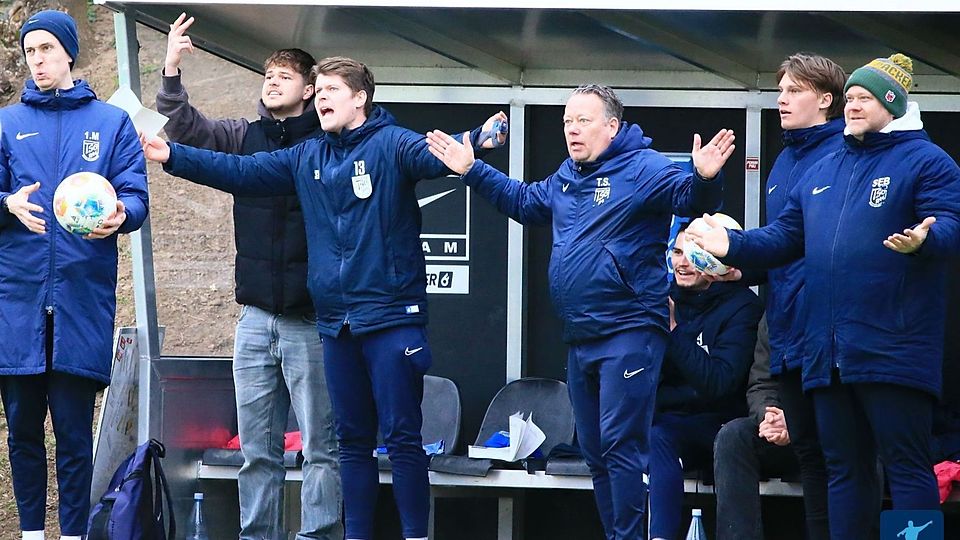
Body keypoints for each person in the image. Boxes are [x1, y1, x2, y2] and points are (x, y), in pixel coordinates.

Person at [141, 56, 506, 540]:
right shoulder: (307, 154)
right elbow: (241, 172)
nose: (324, 96)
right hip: (335, 324)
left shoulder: (391, 144)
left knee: (401, 440)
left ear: (360, 98)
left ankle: (416, 535)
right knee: (351, 442)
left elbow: (433, 154)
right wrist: (173, 156)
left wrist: (478, 137)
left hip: (391, 319)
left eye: (333, 88)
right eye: (321, 89)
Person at [424, 84, 734, 540]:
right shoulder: (568, 174)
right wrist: (472, 169)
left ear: (612, 126)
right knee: (594, 451)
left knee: (621, 445)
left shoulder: (644, 168)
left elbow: (693, 199)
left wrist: (706, 178)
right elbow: (525, 202)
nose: (572, 129)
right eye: (567, 121)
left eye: (583, 121)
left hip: (630, 330)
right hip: (581, 335)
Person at [686, 53, 960, 539]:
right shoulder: (821, 167)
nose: (853, 106)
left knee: (906, 467)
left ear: (892, 105)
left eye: (864, 98)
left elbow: (951, 224)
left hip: (893, 347)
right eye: (850, 97)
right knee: (843, 469)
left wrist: (927, 240)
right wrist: (731, 245)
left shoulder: (927, 160)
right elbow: (785, 237)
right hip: (828, 354)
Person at [155, 13, 341, 539]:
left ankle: (319, 534)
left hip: (312, 321)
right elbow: (187, 128)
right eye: (268, 74)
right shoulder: (245, 136)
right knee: (257, 450)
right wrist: (171, 68)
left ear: (309, 90)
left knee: (321, 447)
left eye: (285, 75)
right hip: (256, 320)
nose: (272, 80)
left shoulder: (329, 146)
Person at [0, 9, 149, 540]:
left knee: (72, 433)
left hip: (81, 303)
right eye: (29, 51)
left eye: (46, 49)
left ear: (68, 52)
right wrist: (6, 204)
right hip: (17, 304)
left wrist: (121, 215)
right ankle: (32, 534)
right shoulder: (6, 123)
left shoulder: (110, 123)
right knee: (21, 431)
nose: (37, 60)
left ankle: (76, 532)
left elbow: (135, 195)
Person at [729, 53, 847, 540]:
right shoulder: (784, 159)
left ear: (825, 100)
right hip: (789, 330)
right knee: (813, 459)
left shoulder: (845, 153)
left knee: (851, 461)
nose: (781, 98)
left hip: (834, 335)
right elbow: (782, 246)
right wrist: (736, 265)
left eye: (794, 90)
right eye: (780, 89)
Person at [648, 222, 762, 540]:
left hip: (721, 425)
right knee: (645, 434)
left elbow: (719, 383)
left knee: (659, 436)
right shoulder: (659, 300)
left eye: (695, 254)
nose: (683, 263)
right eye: (678, 252)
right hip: (667, 423)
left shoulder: (743, 307)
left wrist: (673, 330)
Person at [713, 316, 803, 540]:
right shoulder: (779, 311)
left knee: (861, 450)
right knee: (733, 437)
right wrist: (768, 416)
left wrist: (797, 423)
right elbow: (762, 383)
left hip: (830, 429)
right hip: (782, 428)